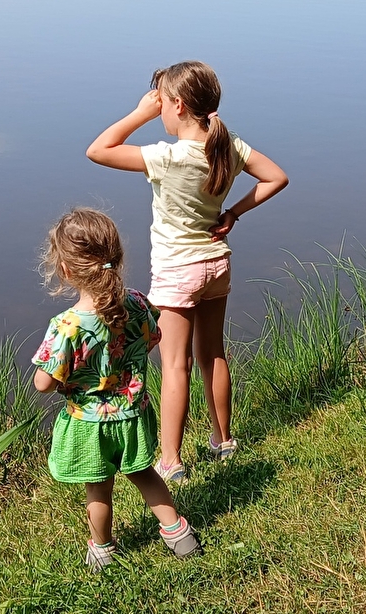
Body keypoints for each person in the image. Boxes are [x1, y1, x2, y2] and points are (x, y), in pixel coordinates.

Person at [87, 61, 289, 483]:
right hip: (217, 264)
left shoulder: (169, 157)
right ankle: (223, 440)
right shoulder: (227, 145)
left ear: (178, 105)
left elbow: (99, 149)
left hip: (177, 271)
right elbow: (276, 178)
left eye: (161, 103)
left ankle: (170, 461)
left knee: (175, 365)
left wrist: (139, 114)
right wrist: (234, 212)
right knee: (213, 353)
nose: (158, 111)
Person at [31, 208, 202, 571]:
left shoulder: (67, 325)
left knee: (98, 488)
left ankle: (103, 550)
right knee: (144, 473)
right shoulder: (139, 303)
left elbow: (44, 383)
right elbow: (152, 338)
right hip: (133, 413)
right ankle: (179, 535)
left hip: (88, 424)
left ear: (64, 270)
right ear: (117, 257)